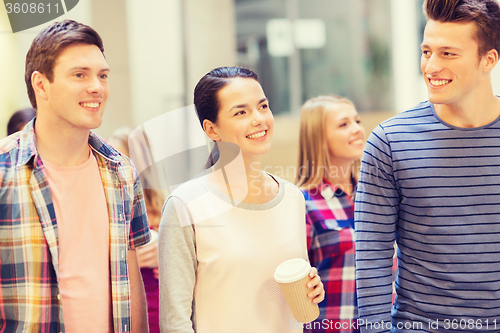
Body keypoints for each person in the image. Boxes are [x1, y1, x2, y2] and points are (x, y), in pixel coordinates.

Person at [355, 0, 500, 331]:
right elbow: (372, 256)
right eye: (426, 52)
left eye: (448, 53)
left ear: (488, 59)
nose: (431, 66)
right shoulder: (389, 142)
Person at [0, 20, 150, 332]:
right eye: (80, 74)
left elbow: (131, 280)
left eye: (103, 75)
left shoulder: (122, 171)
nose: (97, 86)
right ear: (41, 84)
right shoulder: (3, 170)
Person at [158, 66, 325, 332]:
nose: (259, 119)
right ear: (212, 129)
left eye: (263, 106)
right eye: (241, 112)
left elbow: (287, 293)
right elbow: (174, 320)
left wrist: (312, 289)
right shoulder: (186, 204)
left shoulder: (292, 198)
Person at [296, 95, 364, 332]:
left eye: (357, 121)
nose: (357, 129)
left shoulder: (377, 195)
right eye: (344, 124)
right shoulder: (301, 204)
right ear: (319, 138)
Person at [109, 126, 166, 333]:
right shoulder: (109, 213)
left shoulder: (167, 210)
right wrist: (132, 262)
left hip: (162, 313)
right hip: (127, 315)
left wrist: (169, 261)